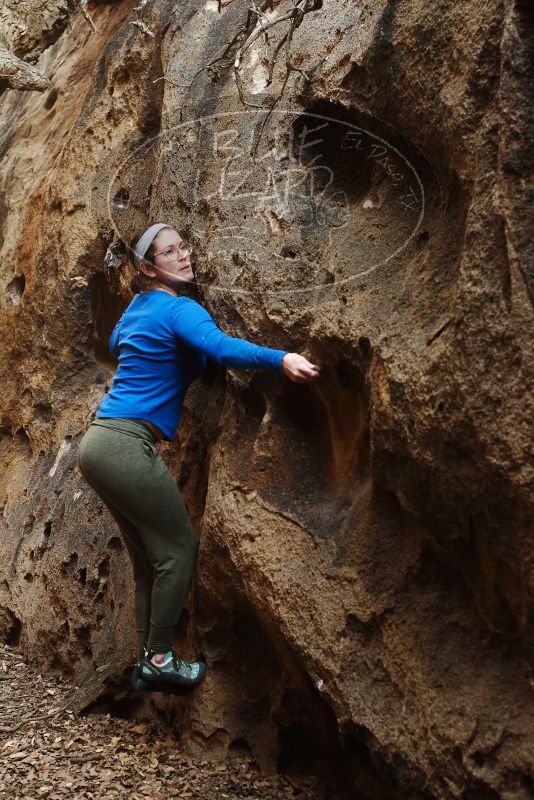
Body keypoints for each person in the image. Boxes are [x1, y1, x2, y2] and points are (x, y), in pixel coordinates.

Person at [77, 222, 320, 693]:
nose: (184, 256)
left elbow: (115, 345)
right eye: (170, 252)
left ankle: (149, 662)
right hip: (125, 443)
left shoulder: (137, 309)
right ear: (149, 267)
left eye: (184, 246)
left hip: (98, 443)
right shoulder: (178, 309)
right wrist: (282, 357)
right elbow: (221, 348)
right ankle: (161, 658)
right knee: (179, 548)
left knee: (148, 559)